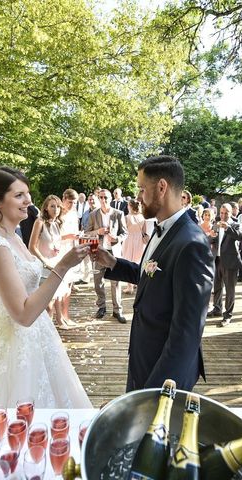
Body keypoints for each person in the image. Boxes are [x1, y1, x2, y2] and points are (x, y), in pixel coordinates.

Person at [0, 165, 92, 408]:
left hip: (40, 334)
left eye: (28, 194)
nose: (28, 201)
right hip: (16, 343)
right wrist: (62, 266)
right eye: (19, 195)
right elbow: (23, 314)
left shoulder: (12, 236)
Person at [95, 155, 214, 391]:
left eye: (141, 189)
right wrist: (113, 263)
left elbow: (187, 331)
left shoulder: (192, 244)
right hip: (143, 352)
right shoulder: (161, 229)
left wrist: (156, 391)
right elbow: (152, 276)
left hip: (164, 369)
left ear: (161, 187)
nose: (138, 198)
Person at [28, 195, 74, 329]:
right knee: (48, 304)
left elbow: (56, 240)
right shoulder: (39, 222)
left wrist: (70, 236)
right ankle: (47, 332)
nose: (56, 209)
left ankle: (58, 322)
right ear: (46, 208)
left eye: (58, 206)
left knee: (57, 296)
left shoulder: (57, 223)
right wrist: (44, 262)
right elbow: (31, 246)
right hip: (44, 266)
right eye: (52, 206)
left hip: (56, 263)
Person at [87, 189, 128, 323]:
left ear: (111, 198)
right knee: (98, 281)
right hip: (98, 251)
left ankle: (118, 310)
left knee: (116, 282)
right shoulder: (93, 214)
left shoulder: (118, 214)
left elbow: (125, 233)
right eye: (101, 197)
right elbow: (87, 233)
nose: (103, 200)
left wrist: (116, 238)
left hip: (113, 252)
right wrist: (97, 231)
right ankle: (102, 307)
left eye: (106, 197)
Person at [207, 203, 242, 326]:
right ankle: (217, 308)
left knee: (230, 290)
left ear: (231, 212)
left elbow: (240, 237)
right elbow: (213, 240)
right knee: (217, 286)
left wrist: (228, 228)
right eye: (221, 213)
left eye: (226, 213)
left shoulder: (236, 224)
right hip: (217, 259)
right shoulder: (217, 224)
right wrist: (211, 237)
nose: (223, 215)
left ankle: (228, 315)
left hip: (230, 261)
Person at [121, 200, 146, 294]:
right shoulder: (142, 217)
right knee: (138, 261)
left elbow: (124, 230)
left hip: (129, 239)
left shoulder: (127, 217)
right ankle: (138, 283)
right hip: (139, 240)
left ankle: (129, 286)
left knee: (129, 261)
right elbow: (145, 231)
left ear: (130, 206)